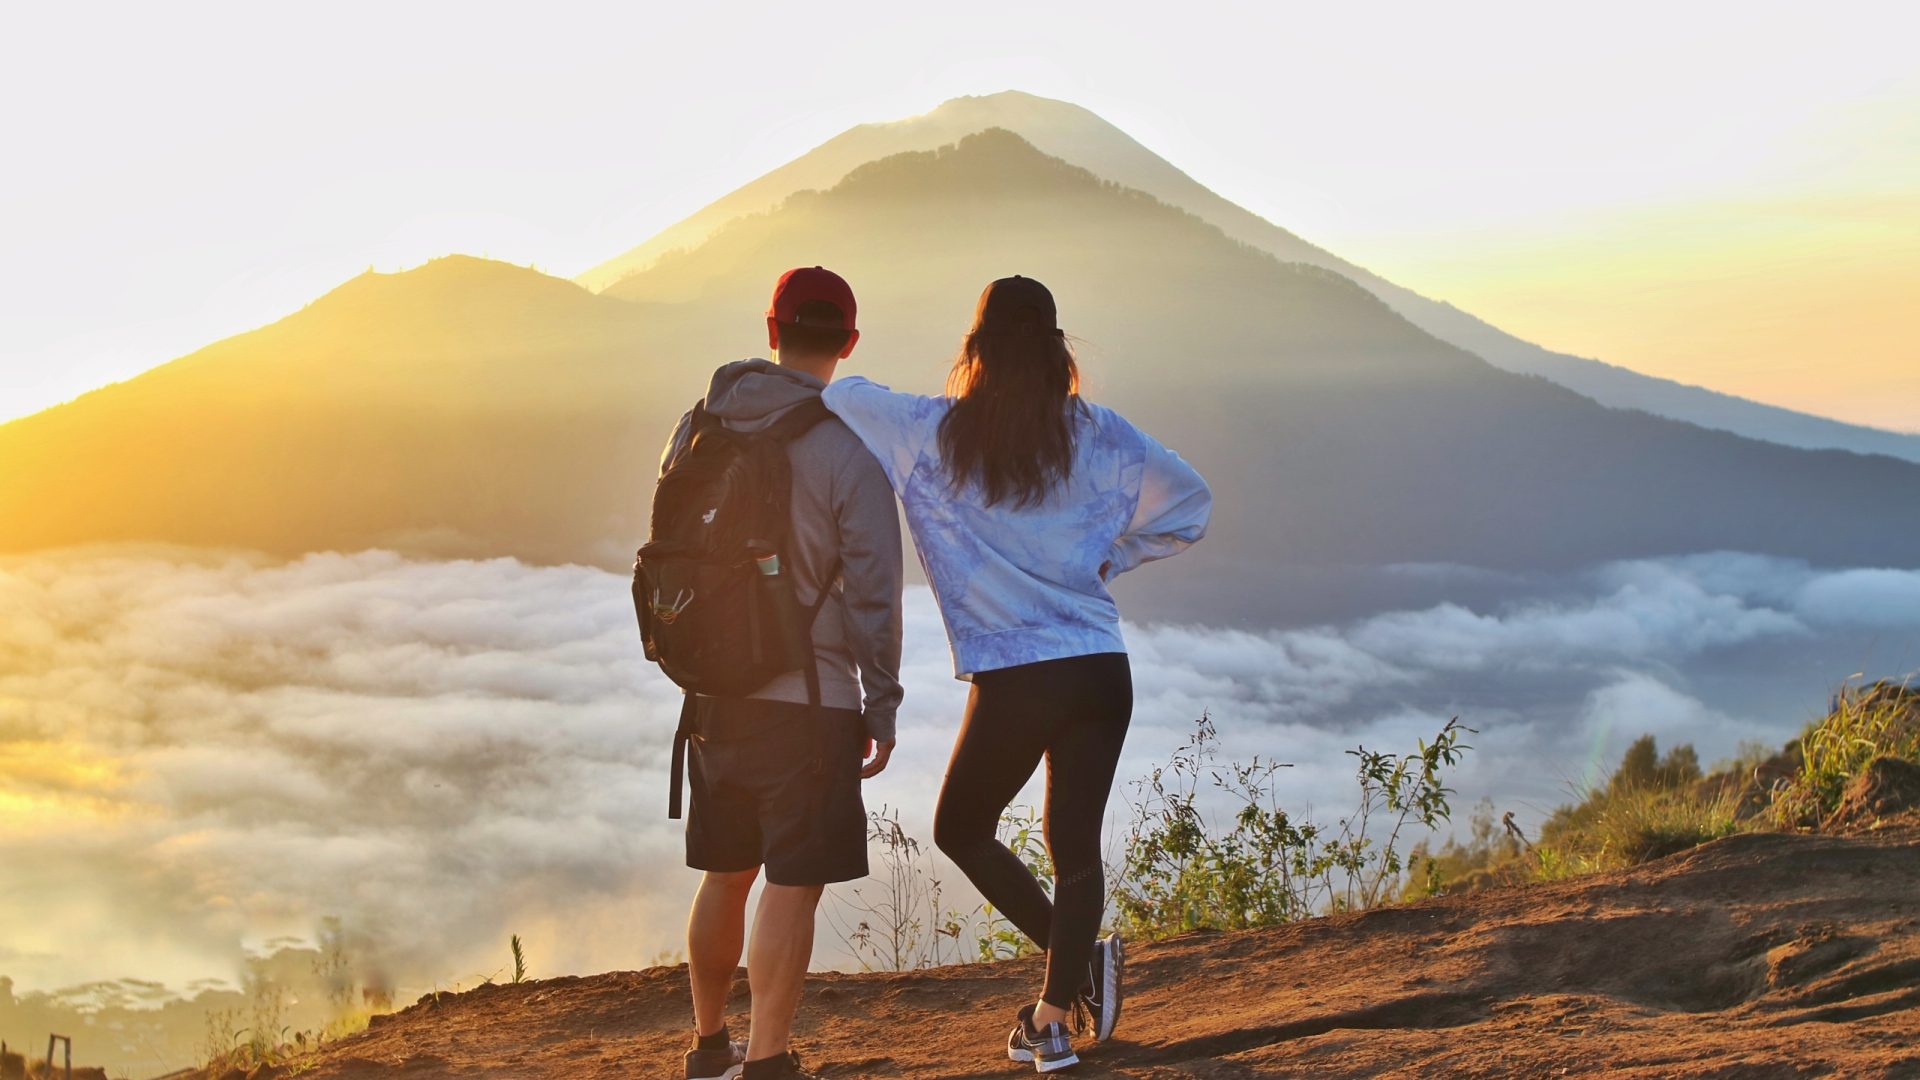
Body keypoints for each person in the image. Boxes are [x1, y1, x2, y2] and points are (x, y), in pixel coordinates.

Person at [821, 275, 1211, 1073]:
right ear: (1058, 349)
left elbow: (842, 394)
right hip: (1101, 667)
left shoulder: (933, 431)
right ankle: (1054, 1019)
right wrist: (1114, 554)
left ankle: (1079, 984)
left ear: (977, 351)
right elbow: (1191, 504)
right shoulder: (1101, 433)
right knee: (1074, 848)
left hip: (1018, 672)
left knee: (961, 828)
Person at [665, 267, 904, 1080]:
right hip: (812, 701)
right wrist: (883, 701)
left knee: (723, 876)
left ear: (771, 330)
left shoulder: (697, 429)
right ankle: (766, 1063)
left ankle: (707, 1050)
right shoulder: (845, 451)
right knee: (792, 886)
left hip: (713, 696)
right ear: (848, 343)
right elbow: (874, 589)